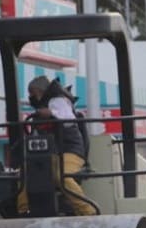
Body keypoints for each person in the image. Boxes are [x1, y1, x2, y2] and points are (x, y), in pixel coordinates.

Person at [16, 76, 97, 216]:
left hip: (70, 151)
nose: (30, 97)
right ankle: (23, 211)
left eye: (31, 93)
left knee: (62, 176)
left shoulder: (58, 100)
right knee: (24, 175)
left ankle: (88, 211)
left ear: (38, 91)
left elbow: (68, 118)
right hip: (49, 155)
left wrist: (51, 113)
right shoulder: (38, 114)